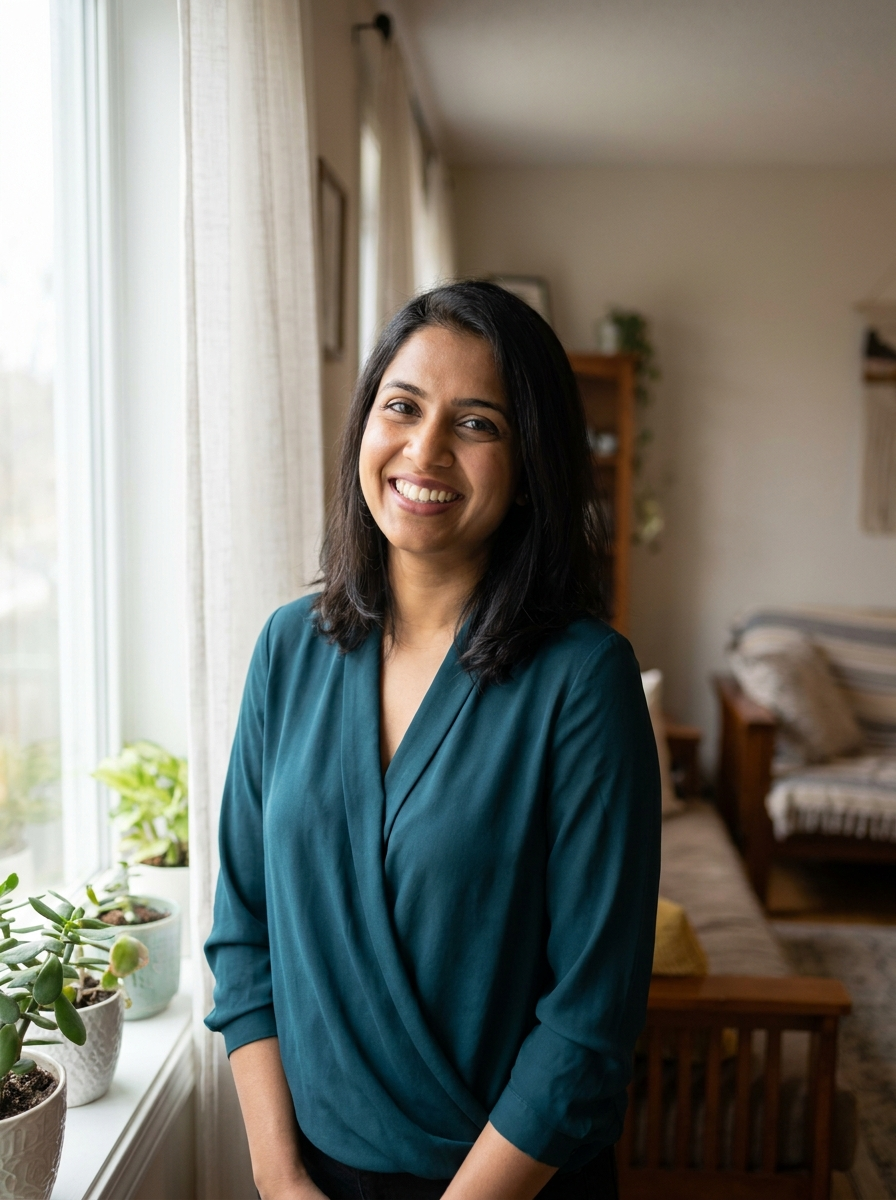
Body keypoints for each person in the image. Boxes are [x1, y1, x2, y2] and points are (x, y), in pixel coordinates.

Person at [205, 281, 661, 1200]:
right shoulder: (286, 650)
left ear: (530, 463)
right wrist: (279, 1177)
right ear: (364, 428)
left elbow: (589, 1021)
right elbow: (242, 936)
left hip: (508, 1181)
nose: (425, 450)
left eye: (478, 423)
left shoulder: (584, 680)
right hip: (309, 1177)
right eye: (402, 407)